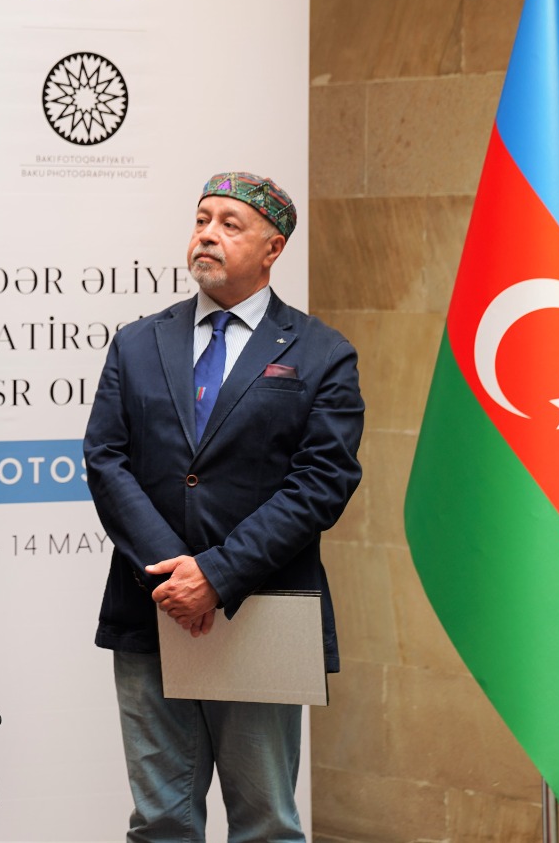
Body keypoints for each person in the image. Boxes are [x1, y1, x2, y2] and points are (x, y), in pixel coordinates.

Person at [83, 171, 364, 842]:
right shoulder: (138, 341)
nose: (207, 234)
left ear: (273, 249)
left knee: (266, 823)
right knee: (161, 821)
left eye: (229, 224)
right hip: (153, 609)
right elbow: (106, 459)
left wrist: (216, 575)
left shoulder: (322, 353)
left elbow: (322, 482)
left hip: (262, 609)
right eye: (201, 219)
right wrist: (173, 574)